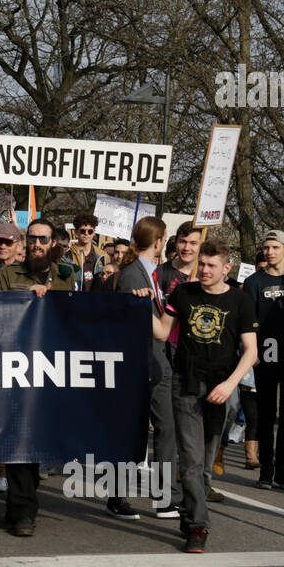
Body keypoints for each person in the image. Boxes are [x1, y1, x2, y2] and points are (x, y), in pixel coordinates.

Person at [142, 240, 258, 554]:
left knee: (205, 464)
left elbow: (251, 352)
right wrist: (139, 304)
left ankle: (191, 508)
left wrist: (230, 385)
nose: (204, 271)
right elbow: (163, 333)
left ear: (226, 268)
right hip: (186, 382)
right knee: (191, 460)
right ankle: (198, 526)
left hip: (221, 384)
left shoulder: (240, 300)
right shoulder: (184, 293)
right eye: (201, 265)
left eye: (211, 265)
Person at [0, 218, 75, 535]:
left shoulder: (66, 276)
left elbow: (76, 317)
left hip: (50, 370)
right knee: (17, 440)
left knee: (36, 441)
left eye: (43, 239)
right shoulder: (8, 274)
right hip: (14, 367)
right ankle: (22, 511)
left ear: (54, 242)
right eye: (32, 239)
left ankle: (20, 507)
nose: (36, 244)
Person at [117, 216, 181, 519]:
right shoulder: (132, 275)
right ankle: (117, 495)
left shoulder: (155, 273)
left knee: (166, 428)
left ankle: (163, 495)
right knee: (132, 430)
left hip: (159, 360)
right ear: (158, 241)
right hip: (139, 360)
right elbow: (155, 327)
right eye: (164, 238)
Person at [243, 229, 284, 491]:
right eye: (266, 247)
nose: (269, 252)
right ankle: (266, 469)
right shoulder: (253, 282)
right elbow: (248, 320)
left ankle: (283, 469)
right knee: (266, 412)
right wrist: (252, 352)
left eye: (275, 247)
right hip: (265, 353)